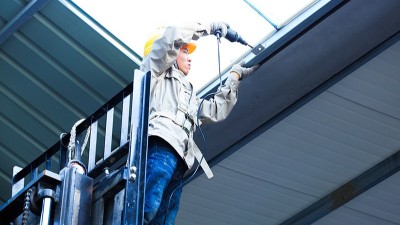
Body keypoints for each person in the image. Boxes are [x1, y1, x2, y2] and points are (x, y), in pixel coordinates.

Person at [140, 21, 259, 225]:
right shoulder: (156, 71)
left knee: (164, 220)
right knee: (147, 207)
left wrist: (234, 77)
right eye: (185, 51)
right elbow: (173, 35)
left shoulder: (188, 94)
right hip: (163, 144)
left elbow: (214, 110)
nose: (190, 58)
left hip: (181, 158)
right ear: (172, 52)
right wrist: (209, 27)